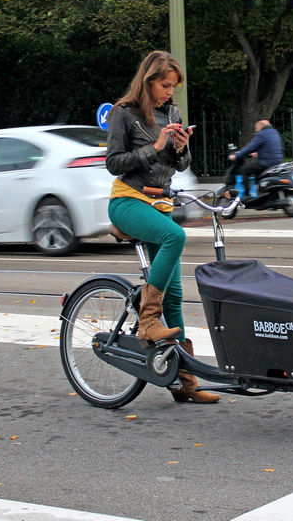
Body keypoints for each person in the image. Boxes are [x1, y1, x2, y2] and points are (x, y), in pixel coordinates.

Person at [105, 50, 220, 404]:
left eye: (174, 87)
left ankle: (185, 381)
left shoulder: (172, 113)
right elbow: (113, 163)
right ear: (149, 80)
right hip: (128, 200)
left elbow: (178, 163)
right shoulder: (123, 113)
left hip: (160, 202)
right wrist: (155, 146)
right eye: (165, 85)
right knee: (175, 235)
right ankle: (147, 319)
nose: (170, 92)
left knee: (175, 296)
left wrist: (181, 149)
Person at [224, 119, 284, 196]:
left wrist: (236, 156)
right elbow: (269, 147)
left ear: (261, 125)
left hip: (267, 163)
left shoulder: (262, 134)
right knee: (257, 173)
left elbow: (250, 148)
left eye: (256, 128)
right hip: (277, 162)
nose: (256, 130)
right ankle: (260, 192)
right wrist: (258, 152)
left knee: (244, 170)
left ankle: (247, 194)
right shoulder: (274, 132)